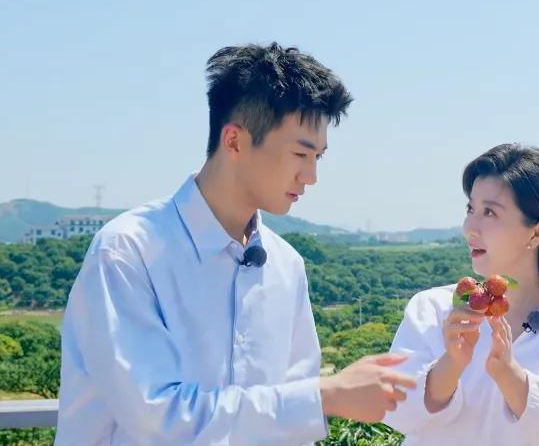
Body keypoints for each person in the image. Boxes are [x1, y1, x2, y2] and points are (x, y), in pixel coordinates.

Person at [56, 42, 416, 445]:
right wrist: (323, 397)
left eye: (319, 158)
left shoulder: (286, 265)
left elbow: (290, 430)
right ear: (234, 141)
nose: (311, 176)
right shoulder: (128, 251)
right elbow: (156, 417)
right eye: (300, 154)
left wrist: (311, 400)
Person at [383, 143, 539, 445]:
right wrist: (451, 364)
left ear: (538, 232)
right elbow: (395, 409)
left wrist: (512, 378)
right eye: (470, 209)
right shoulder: (432, 308)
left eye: (489, 212)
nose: (470, 227)